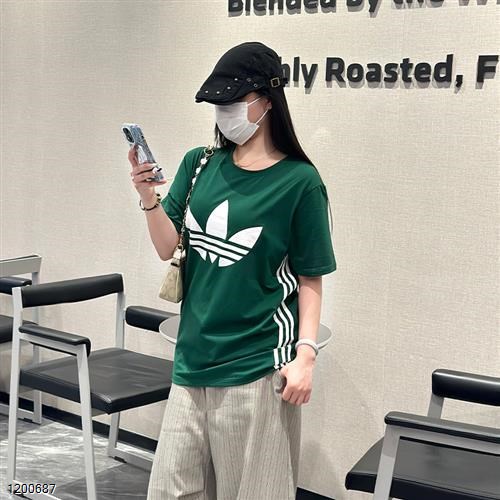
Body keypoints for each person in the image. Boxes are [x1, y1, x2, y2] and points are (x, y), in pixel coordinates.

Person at [128, 41, 337, 500]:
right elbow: (167, 247)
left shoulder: (300, 182)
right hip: (192, 357)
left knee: (253, 492)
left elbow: (310, 277)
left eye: (233, 102)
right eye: (218, 105)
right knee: (169, 490)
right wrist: (148, 196)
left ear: (267, 100)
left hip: (256, 364)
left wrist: (305, 357)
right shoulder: (200, 164)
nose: (224, 113)